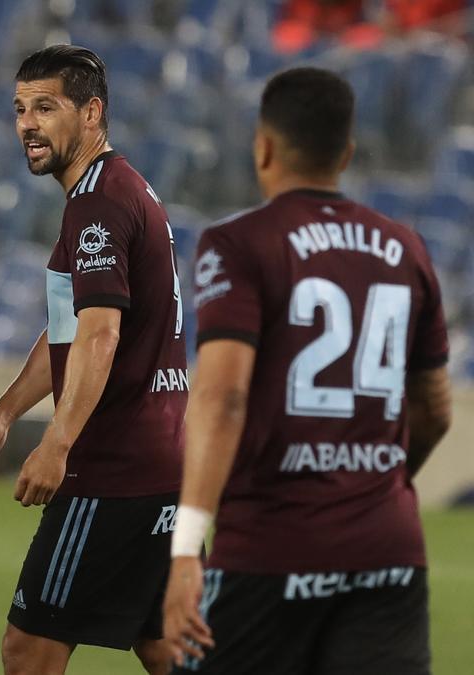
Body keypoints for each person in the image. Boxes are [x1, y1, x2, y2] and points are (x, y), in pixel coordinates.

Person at [163, 67, 452, 675]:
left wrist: (187, 547)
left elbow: (221, 399)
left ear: (263, 146)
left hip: (270, 549)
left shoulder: (237, 244)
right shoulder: (408, 248)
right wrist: (377, 482)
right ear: (346, 153)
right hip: (388, 550)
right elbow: (435, 409)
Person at [0, 45, 187, 675]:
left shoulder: (98, 202)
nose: (27, 124)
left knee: (29, 649)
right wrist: (2, 416)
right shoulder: (115, 187)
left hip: (114, 467)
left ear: (92, 113)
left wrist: (57, 443)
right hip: (161, 457)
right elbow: (70, 328)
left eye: (46, 107)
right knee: (163, 645)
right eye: (20, 109)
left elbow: (100, 336)